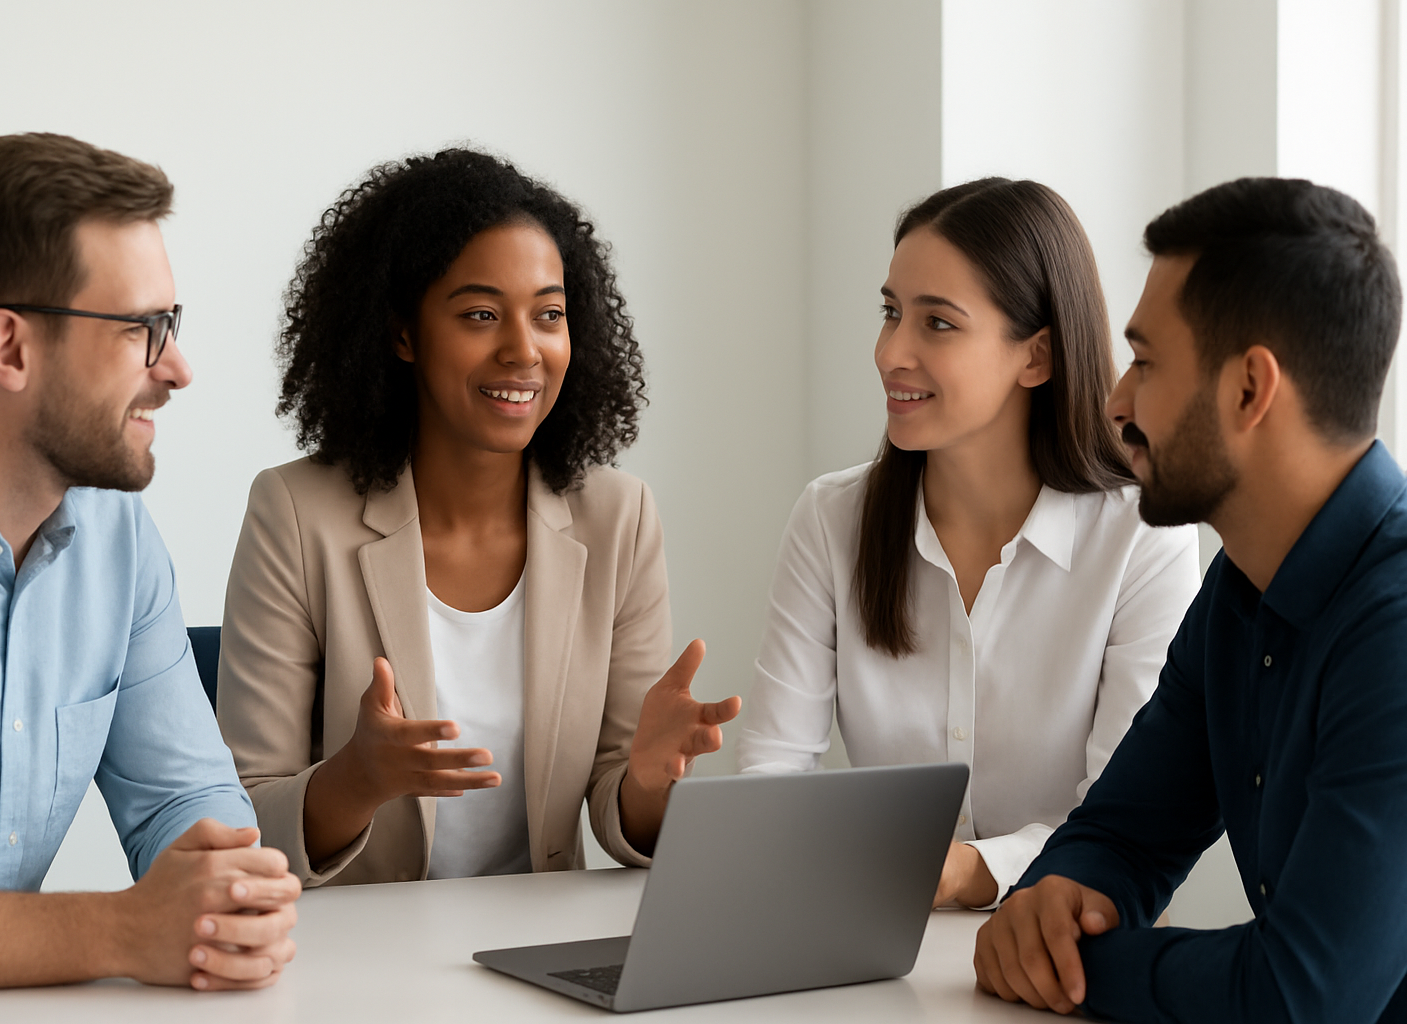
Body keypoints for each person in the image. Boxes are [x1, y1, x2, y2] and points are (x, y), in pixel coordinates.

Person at [216, 148, 738, 886]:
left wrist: (650, 778)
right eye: (480, 315)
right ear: (403, 334)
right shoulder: (296, 515)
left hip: (540, 949)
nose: (523, 350)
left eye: (549, 315)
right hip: (362, 961)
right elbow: (246, 816)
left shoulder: (618, 518)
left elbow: (620, 808)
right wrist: (359, 778)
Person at [0, 133, 300, 997]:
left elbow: (190, 803)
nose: (177, 368)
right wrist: (123, 929)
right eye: (144, 329)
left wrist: (229, 897)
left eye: (170, 326)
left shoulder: (117, 538)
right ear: (10, 348)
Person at [973, 178, 1407, 1023]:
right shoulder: (1240, 590)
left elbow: (1298, 997)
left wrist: (1076, 969)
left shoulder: (1395, 629)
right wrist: (1049, 909)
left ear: (1250, 390)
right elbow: (1123, 835)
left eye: (1146, 361)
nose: (1115, 403)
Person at [735, 178, 1201, 909]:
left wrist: (960, 871)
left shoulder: (1142, 537)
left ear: (1037, 357)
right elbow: (771, 777)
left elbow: (1124, 819)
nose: (892, 352)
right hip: (867, 944)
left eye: (938, 324)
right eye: (890, 313)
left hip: (1061, 949)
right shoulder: (834, 518)